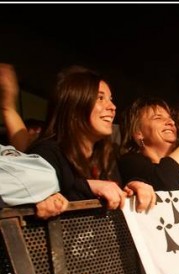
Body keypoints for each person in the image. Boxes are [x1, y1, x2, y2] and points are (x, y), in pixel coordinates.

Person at [27, 66, 156, 213]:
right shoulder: (46, 154)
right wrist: (89, 187)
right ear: (74, 106)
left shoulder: (105, 155)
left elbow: (113, 193)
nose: (113, 107)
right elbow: (34, 200)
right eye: (100, 98)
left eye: (111, 99)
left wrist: (132, 187)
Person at [0, 143, 69, 219]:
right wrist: (43, 192)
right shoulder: (48, 149)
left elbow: (43, 176)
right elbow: (46, 178)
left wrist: (45, 193)